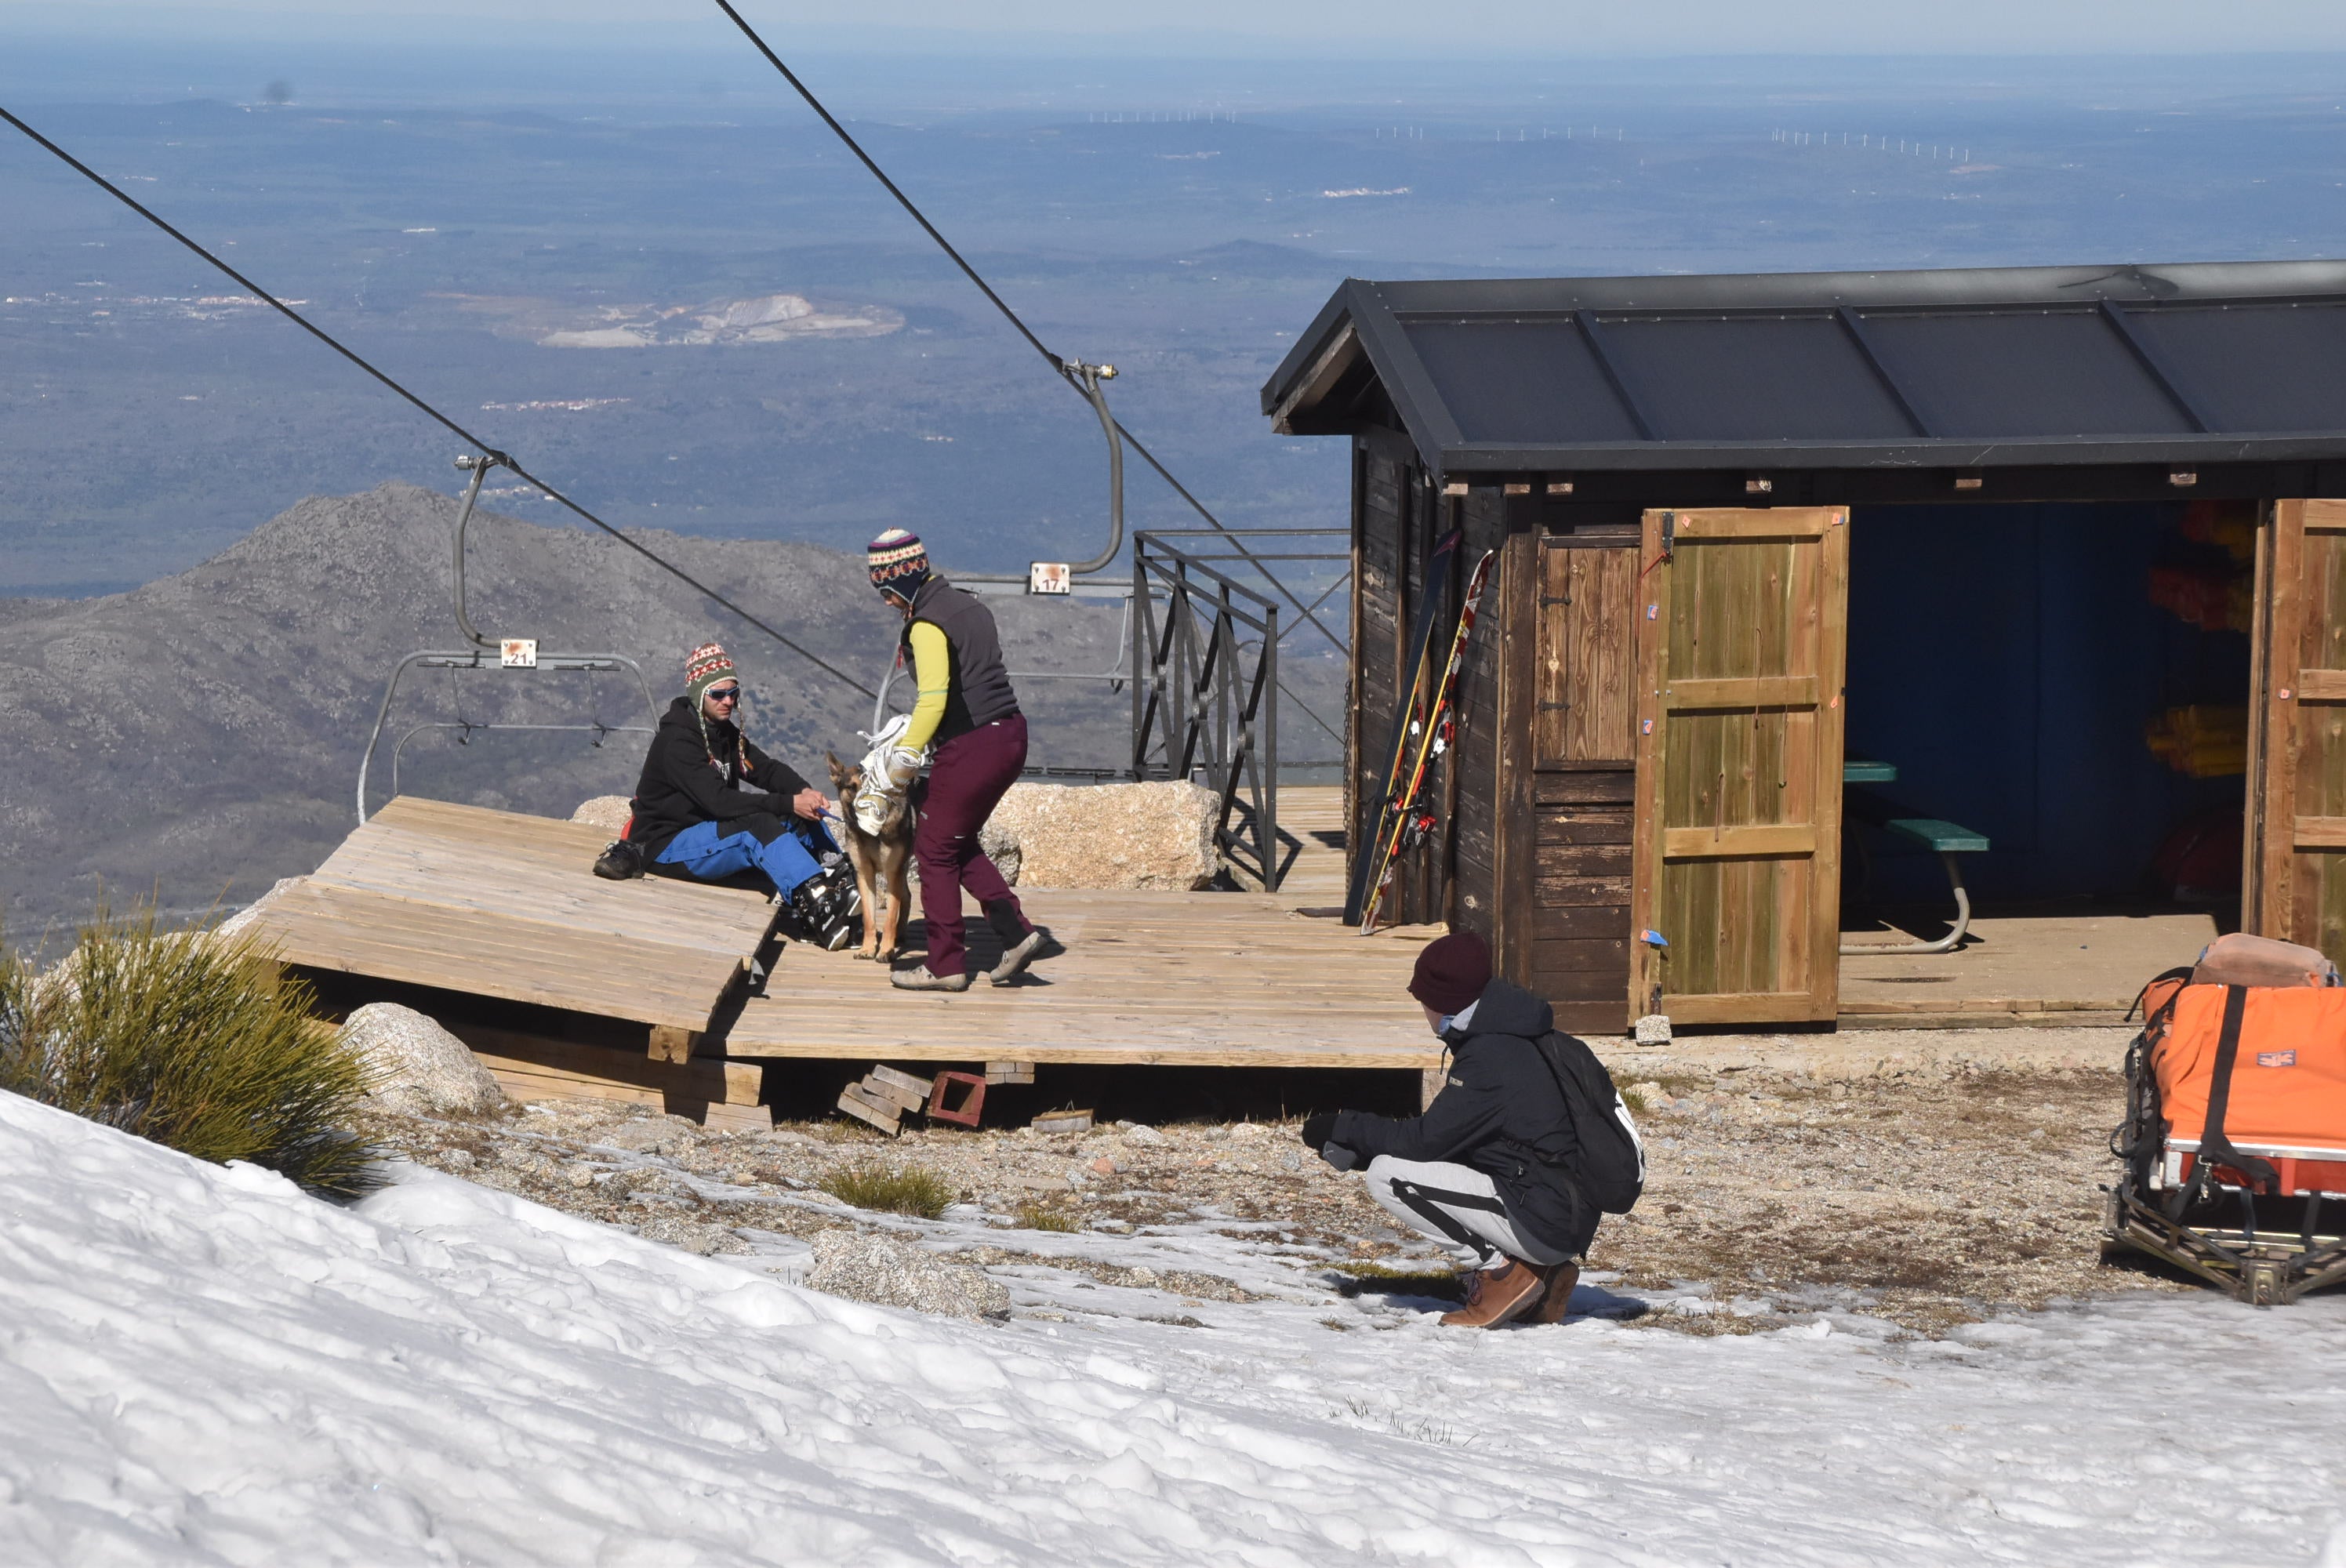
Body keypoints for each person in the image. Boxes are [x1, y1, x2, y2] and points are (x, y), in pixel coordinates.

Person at [1301, 931, 1628, 1329]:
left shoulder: (1490, 1055)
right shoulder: (1517, 1032)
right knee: (1403, 1163)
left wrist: (1343, 1125)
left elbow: (1424, 1142)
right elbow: (1455, 1141)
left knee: (1387, 1176)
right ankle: (1543, 1275)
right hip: (1561, 1211)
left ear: (1442, 1001)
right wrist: (1359, 1144)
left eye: (1422, 1000)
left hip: (1548, 1220)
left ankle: (1502, 1274)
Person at [862, 528, 1048, 993]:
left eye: (885, 590)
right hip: (1011, 734)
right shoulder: (969, 605)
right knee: (953, 839)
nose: (886, 602)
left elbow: (934, 699)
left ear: (901, 580)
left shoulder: (926, 625)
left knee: (932, 848)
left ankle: (944, 964)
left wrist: (904, 757)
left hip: (972, 745)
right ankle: (1017, 934)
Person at [624, 641, 859, 949]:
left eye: (733, 694)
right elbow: (720, 802)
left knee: (792, 814)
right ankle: (816, 905)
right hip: (667, 844)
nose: (728, 702)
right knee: (756, 826)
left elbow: (765, 770)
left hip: (706, 833)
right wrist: (790, 802)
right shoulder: (677, 742)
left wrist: (802, 792)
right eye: (718, 694)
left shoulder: (724, 733)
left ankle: (839, 878)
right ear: (699, 694)